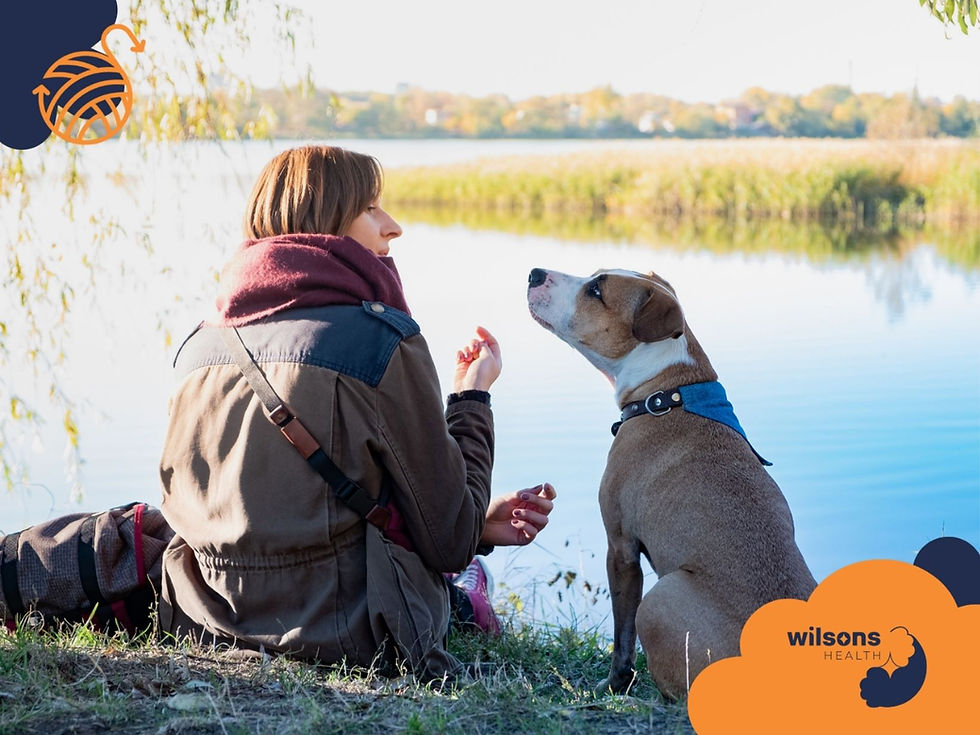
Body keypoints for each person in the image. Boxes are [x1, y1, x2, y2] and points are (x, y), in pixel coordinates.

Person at [156, 145, 557, 680]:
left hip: (205, 621)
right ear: (322, 222)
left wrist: (477, 523)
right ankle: (469, 606)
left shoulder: (199, 348)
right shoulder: (380, 342)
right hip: (352, 633)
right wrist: (471, 398)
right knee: (465, 570)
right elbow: (452, 540)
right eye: (370, 208)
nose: (393, 227)